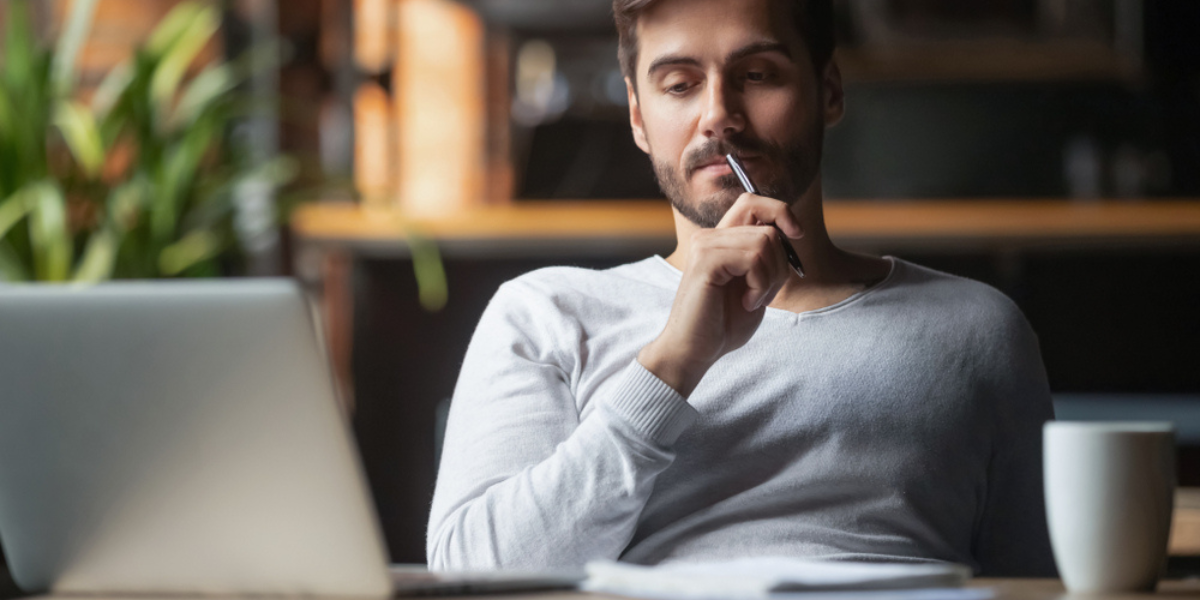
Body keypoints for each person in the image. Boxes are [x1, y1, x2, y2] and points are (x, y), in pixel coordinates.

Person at [427, 0, 1055, 575]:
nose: (718, 116)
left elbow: (1043, 584)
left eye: (758, 75)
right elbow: (474, 574)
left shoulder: (978, 329)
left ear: (828, 91)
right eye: (680, 84)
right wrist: (671, 364)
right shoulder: (545, 315)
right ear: (639, 117)